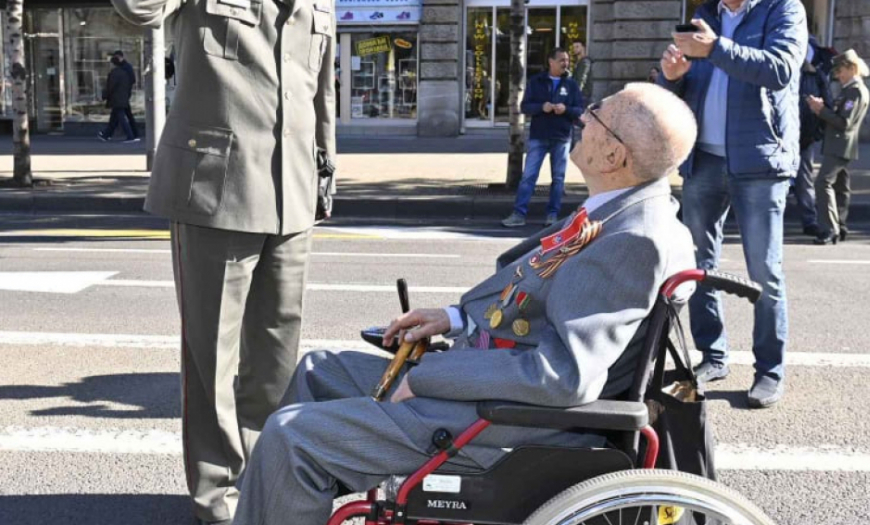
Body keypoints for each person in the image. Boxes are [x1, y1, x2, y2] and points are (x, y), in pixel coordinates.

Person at [231, 83, 697, 525]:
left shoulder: (632, 239)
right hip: (497, 390)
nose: (582, 118)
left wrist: (430, 376)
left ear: (614, 155)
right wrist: (455, 319)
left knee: (292, 435)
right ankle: (287, 498)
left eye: (596, 114)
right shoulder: (620, 209)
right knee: (318, 370)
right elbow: (533, 295)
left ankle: (298, 477)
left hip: (512, 423)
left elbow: (562, 376)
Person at [111, 1, 337, 524]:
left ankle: (262, 482)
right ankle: (218, 500)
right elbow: (140, 9)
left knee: (277, 355)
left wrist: (324, 172)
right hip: (217, 189)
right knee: (211, 358)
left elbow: (320, 90)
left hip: (293, 191)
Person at [658, 0, 807, 408]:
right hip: (704, 159)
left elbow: (780, 69)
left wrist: (715, 48)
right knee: (698, 267)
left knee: (764, 273)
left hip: (760, 160)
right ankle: (713, 355)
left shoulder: (784, 9)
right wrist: (672, 78)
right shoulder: (706, 13)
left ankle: (769, 371)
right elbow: (687, 91)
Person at [502, 48, 584, 228]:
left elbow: (580, 110)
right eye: (561, 60)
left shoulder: (571, 84)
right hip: (539, 135)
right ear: (551, 62)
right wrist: (542, 107)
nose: (565, 63)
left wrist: (566, 110)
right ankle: (519, 214)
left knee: (558, 178)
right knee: (529, 176)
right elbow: (525, 107)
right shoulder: (536, 81)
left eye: (567, 60)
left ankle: (552, 215)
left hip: (561, 136)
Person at [807, 49, 870, 245]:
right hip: (839, 144)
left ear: (852, 68)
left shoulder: (855, 92)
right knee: (840, 187)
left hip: (840, 145)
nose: (837, 76)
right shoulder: (850, 90)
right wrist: (823, 109)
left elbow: (844, 122)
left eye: (840, 71)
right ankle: (840, 225)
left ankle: (829, 229)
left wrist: (820, 110)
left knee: (822, 183)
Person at [795, 38, 833, 237]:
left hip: (804, 136)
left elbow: (828, 104)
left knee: (804, 180)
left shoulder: (814, 74)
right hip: (776, 136)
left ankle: (809, 221)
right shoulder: (776, 70)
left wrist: (817, 132)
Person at [97, 51, 139, 143]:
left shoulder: (116, 72)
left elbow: (110, 86)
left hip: (118, 97)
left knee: (121, 117)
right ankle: (106, 135)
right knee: (116, 117)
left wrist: (104, 96)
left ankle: (130, 136)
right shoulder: (125, 71)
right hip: (123, 96)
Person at [570, 41, 594, 149]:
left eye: (577, 46)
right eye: (574, 47)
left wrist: (575, 95)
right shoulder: (580, 62)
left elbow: (581, 80)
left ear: (583, 47)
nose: (575, 49)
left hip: (582, 96)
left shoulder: (585, 62)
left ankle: (576, 145)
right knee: (577, 120)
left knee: (578, 120)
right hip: (581, 96)